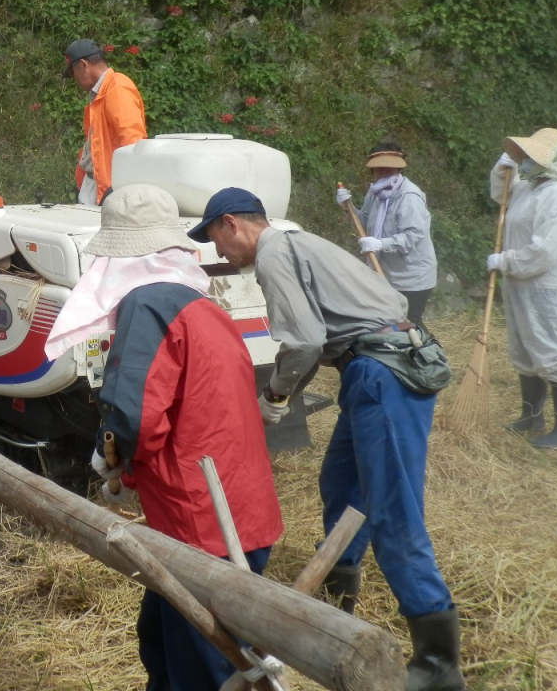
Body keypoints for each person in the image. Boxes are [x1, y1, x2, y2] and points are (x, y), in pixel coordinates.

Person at [193, 188, 463, 691]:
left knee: (392, 512)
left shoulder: (275, 255)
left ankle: (437, 660)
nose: (220, 253)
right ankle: (338, 598)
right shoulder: (301, 242)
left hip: (382, 374)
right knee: (341, 483)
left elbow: (305, 341)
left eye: (216, 240)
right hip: (373, 367)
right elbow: (347, 320)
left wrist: (274, 395)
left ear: (232, 223)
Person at [44, 185, 282, 691]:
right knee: (158, 635)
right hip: (239, 505)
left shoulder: (148, 306)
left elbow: (135, 415)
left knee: (206, 667)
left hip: (201, 521)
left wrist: (113, 456)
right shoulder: (200, 304)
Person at [489, 129, 557, 449]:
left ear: (552, 162)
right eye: (524, 157)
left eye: (530, 158)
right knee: (525, 350)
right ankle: (531, 416)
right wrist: (501, 168)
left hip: (550, 289)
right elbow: (502, 195)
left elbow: (546, 250)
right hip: (522, 286)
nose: (525, 162)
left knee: (556, 351)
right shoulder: (531, 188)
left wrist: (506, 260)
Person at [336, 142, 438, 324]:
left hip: (412, 277)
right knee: (389, 324)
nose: (383, 171)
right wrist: (348, 207)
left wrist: (381, 244)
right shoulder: (374, 192)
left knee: (409, 324)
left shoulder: (409, 196)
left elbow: (413, 236)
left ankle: (429, 353)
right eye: (378, 168)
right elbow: (365, 223)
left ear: (399, 168)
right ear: (372, 171)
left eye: (388, 167)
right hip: (384, 273)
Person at [63, 38, 146, 206]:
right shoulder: (101, 92)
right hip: (96, 184)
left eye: (73, 72)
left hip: (109, 189)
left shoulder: (117, 86)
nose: (74, 79)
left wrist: (119, 191)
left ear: (84, 65)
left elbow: (133, 142)